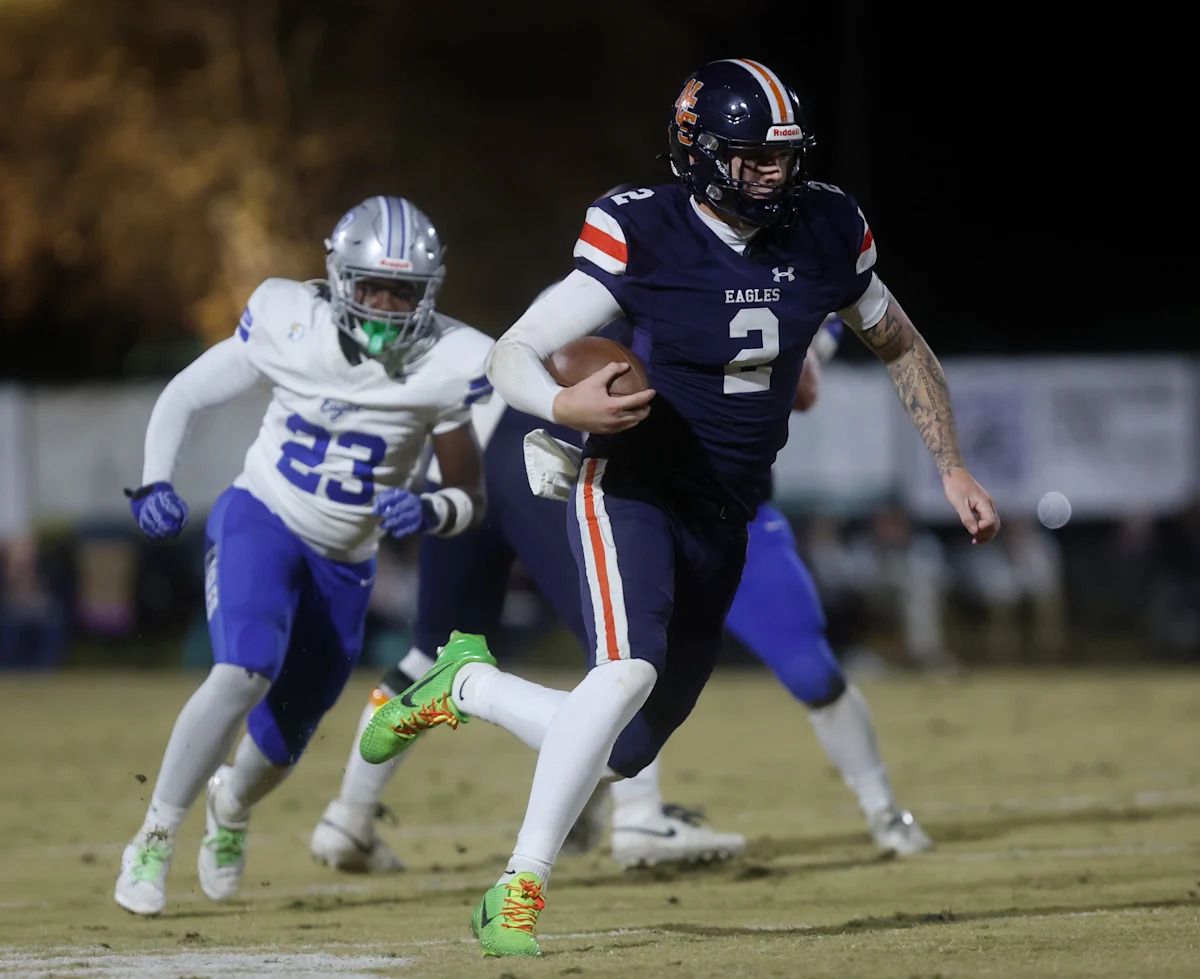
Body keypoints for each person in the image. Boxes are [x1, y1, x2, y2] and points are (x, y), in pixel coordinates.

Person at [363, 58, 999, 957]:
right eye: (753, 158)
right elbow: (515, 351)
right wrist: (563, 404)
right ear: (700, 153)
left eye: (784, 156)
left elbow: (901, 344)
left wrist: (952, 468)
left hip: (727, 510)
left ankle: (464, 684)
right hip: (631, 484)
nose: (774, 174)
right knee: (626, 671)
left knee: (625, 749)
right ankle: (518, 889)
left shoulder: (825, 226)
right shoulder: (642, 228)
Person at [312, 313, 930, 875]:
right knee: (626, 658)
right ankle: (636, 814)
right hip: (586, 459)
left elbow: (801, 383)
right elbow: (796, 388)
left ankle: (349, 817)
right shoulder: (664, 263)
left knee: (439, 650)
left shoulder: (759, 268)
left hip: (486, 446)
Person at [113, 195, 495, 916]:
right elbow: (187, 393)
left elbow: (469, 494)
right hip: (264, 515)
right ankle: (154, 836)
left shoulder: (449, 361)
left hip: (347, 561)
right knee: (243, 668)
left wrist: (431, 510)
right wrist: (156, 478)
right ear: (340, 279)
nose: (386, 307)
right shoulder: (291, 321)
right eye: (372, 288)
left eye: (403, 292)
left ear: (429, 291)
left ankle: (230, 806)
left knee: (287, 734)